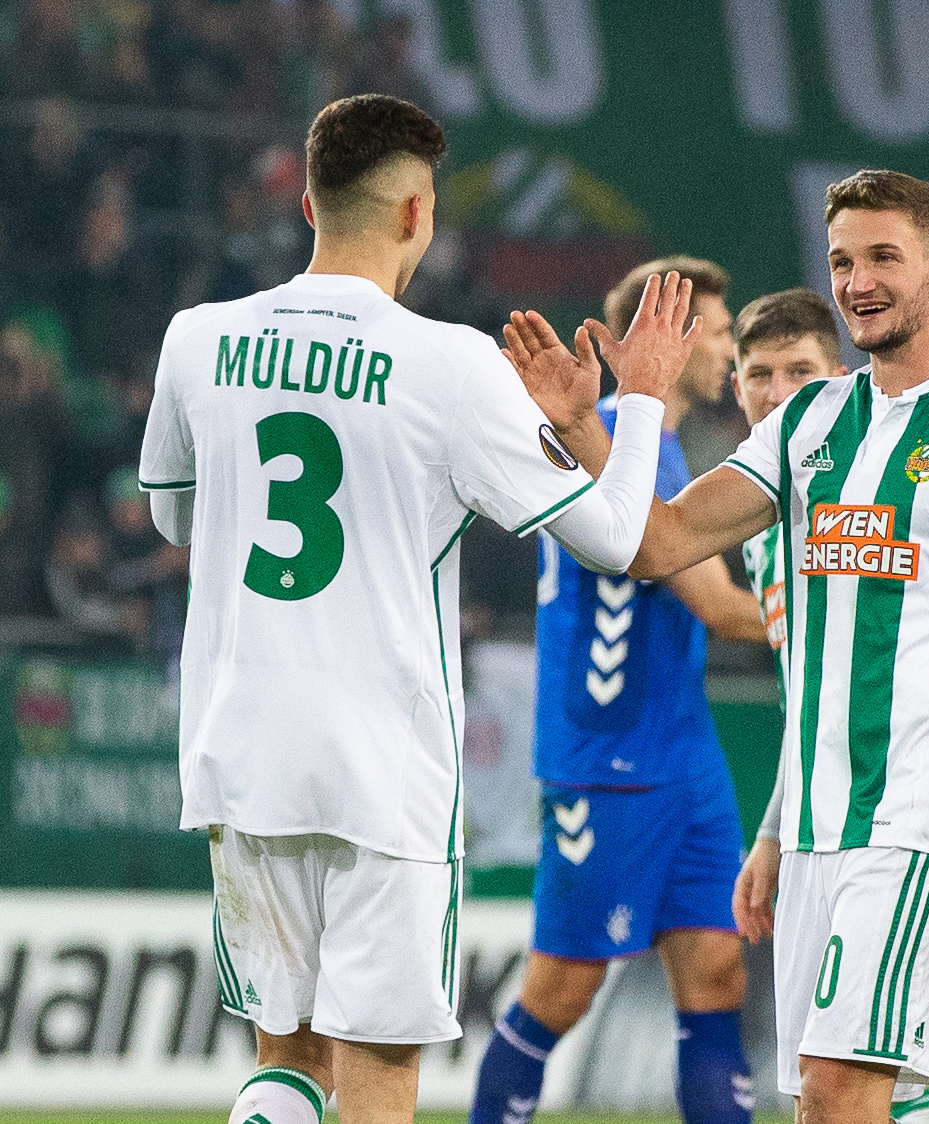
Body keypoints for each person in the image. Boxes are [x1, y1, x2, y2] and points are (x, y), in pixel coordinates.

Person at [502, 168, 929, 1124]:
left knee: (837, 1096)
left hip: (924, 819)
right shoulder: (812, 424)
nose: (857, 281)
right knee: (829, 1105)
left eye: (882, 258)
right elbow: (658, 543)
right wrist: (589, 424)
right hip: (821, 829)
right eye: (840, 261)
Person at [139, 94, 698, 1124]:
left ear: (309, 202)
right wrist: (644, 395)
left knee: (284, 1058)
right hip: (380, 765)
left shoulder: (196, 337)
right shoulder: (448, 364)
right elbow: (622, 540)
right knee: (378, 1080)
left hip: (238, 747)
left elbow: (178, 521)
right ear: (413, 216)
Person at [468, 257, 767, 1124]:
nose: (725, 349)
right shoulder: (602, 436)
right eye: (712, 330)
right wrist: (846, 619)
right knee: (559, 993)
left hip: (685, 755)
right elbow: (715, 606)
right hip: (609, 756)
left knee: (716, 973)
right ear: (658, 343)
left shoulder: (661, 449)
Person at [729, 286, 850, 941]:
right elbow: (804, 694)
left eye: (800, 373)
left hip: (903, 814)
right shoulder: (757, 522)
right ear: (735, 384)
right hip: (813, 810)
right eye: (760, 376)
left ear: (839, 379)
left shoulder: (866, 495)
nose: (778, 395)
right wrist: (776, 828)